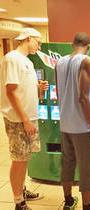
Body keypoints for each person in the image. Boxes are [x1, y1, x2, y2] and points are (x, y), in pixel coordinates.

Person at [0, 28, 49, 210]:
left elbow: (22, 90)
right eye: (38, 41)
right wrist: (25, 120)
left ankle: (21, 189)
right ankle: (18, 201)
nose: (39, 45)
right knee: (19, 160)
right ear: (28, 39)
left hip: (27, 118)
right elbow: (11, 92)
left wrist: (39, 89)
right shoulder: (13, 58)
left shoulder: (26, 61)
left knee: (24, 158)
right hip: (18, 120)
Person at [55, 32, 90, 210]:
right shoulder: (87, 62)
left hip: (65, 124)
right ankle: (87, 207)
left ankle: (68, 201)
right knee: (87, 168)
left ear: (71, 44)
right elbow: (83, 98)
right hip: (83, 127)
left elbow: (59, 94)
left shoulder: (59, 62)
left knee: (67, 163)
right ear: (89, 47)